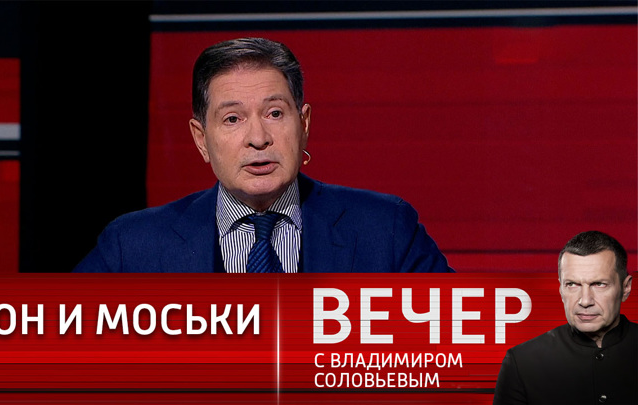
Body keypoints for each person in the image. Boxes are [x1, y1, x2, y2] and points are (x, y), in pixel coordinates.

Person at [74, 37, 452, 273]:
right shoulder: (132, 248)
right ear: (201, 139)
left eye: (274, 113)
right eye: (233, 119)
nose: (258, 138)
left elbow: (459, 353)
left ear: (303, 124)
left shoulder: (386, 231)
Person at [493, 231, 636, 405]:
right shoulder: (522, 362)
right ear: (561, 289)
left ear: (626, 288)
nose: (585, 301)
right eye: (572, 284)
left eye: (599, 284)